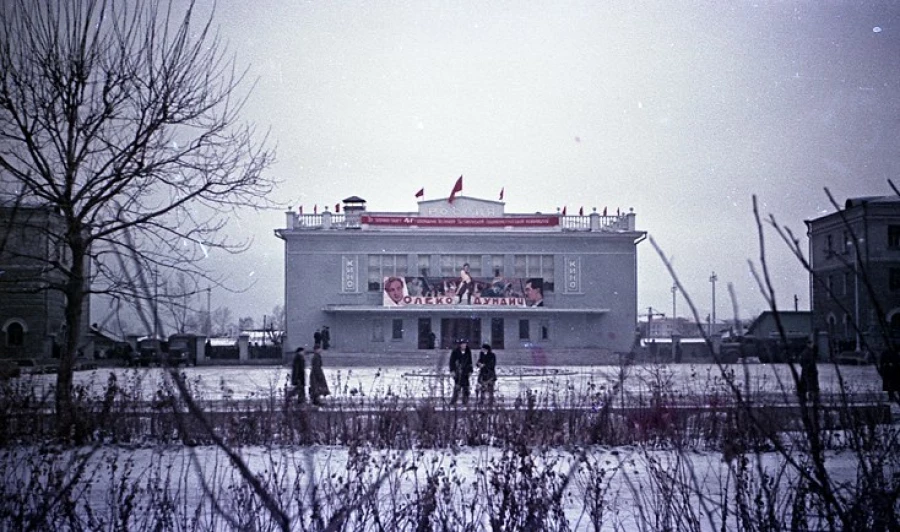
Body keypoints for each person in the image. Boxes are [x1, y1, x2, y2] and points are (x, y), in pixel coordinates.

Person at [449, 339, 473, 405]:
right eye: (462, 344)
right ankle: (453, 401)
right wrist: (452, 370)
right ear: (460, 345)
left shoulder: (468, 351)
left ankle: (465, 401)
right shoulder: (455, 352)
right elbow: (451, 362)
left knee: (466, 387)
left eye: (465, 344)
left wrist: (470, 370)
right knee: (457, 387)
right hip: (458, 372)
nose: (464, 345)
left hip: (466, 372)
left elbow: (470, 362)